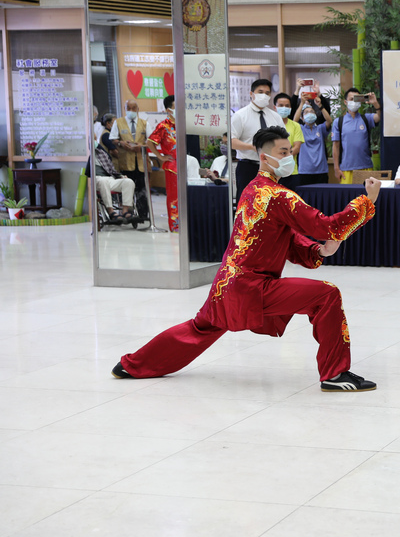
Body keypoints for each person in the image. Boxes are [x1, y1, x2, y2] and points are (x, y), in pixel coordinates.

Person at [112, 126, 381, 393]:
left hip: (226, 284)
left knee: (198, 329)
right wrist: (367, 201)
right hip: (253, 286)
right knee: (327, 295)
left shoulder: (252, 189)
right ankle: (335, 373)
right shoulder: (279, 195)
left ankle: (132, 364)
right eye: (283, 152)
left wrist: (317, 251)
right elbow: (327, 226)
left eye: (290, 151)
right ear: (264, 157)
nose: (289, 157)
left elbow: (279, 236)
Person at [231, 79, 286, 197]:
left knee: (270, 201)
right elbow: (232, 141)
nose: (264, 95)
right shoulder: (240, 115)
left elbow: (284, 140)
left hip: (271, 167)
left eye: (267, 93)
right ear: (251, 94)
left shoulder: (275, 117)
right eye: (260, 92)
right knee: (247, 201)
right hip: (248, 167)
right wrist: (252, 147)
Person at [110, 99, 149, 222]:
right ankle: (128, 214)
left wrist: (142, 146)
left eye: (133, 108)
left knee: (141, 189)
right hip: (125, 162)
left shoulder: (145, 123)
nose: (131, 111)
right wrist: (120, 143)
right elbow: (113, 139)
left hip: (141, 162)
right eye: (128, 108)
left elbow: (152, 142)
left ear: (138, 109)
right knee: (127, 189)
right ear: (124, 109)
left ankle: (143, 214)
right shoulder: (118, 122)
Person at [332, 88, 381, 184]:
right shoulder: (338, 122)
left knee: (367, 194)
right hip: (346, 169)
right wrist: (336, 168)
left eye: (356, 99)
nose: (354, 102)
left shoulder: (366, 118)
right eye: (351, 99)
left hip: (365, 167)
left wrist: (375, 103)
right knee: (347, 194)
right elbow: (336, 146)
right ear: (345, 102)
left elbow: (379, 117)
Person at [148, 95, 179, 231]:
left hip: (186, 164)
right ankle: (175, 225)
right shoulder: (163, 126)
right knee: (174, 197)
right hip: (172, 166)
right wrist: (160, 157)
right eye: (176, 106)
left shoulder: (183, 124)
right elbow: (150, 142)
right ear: (168, 110)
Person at [91, 134, 136, 224]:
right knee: (103, 181)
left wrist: (120, 176)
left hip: (109, 178)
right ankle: (111, 211)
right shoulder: (86, 155)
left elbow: (112, 170)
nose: (94, 141)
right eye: (93, 139)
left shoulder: (102, 153)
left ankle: (125, 211)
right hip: (96, 179)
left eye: (95, 139)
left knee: (128, 182)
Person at [297, 103, 332, 185]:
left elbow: (329, 121)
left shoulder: (320, 128)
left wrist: (320, 106)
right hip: (305, 171)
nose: (309, 114)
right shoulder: (300, 129)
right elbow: (294, 121)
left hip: (321, 170)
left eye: (312, 112)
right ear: (302, 118)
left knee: (322, 192)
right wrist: (301, 104)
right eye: (306, 112)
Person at [274, 92, 304, 190]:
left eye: (287, 106)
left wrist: (282, 157)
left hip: (292, 172)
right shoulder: (269, 125)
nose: (284, 108)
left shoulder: (296, 126)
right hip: (273, 172)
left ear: (291, 108)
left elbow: (297, 147)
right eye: (281, 105)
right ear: (275, 107)